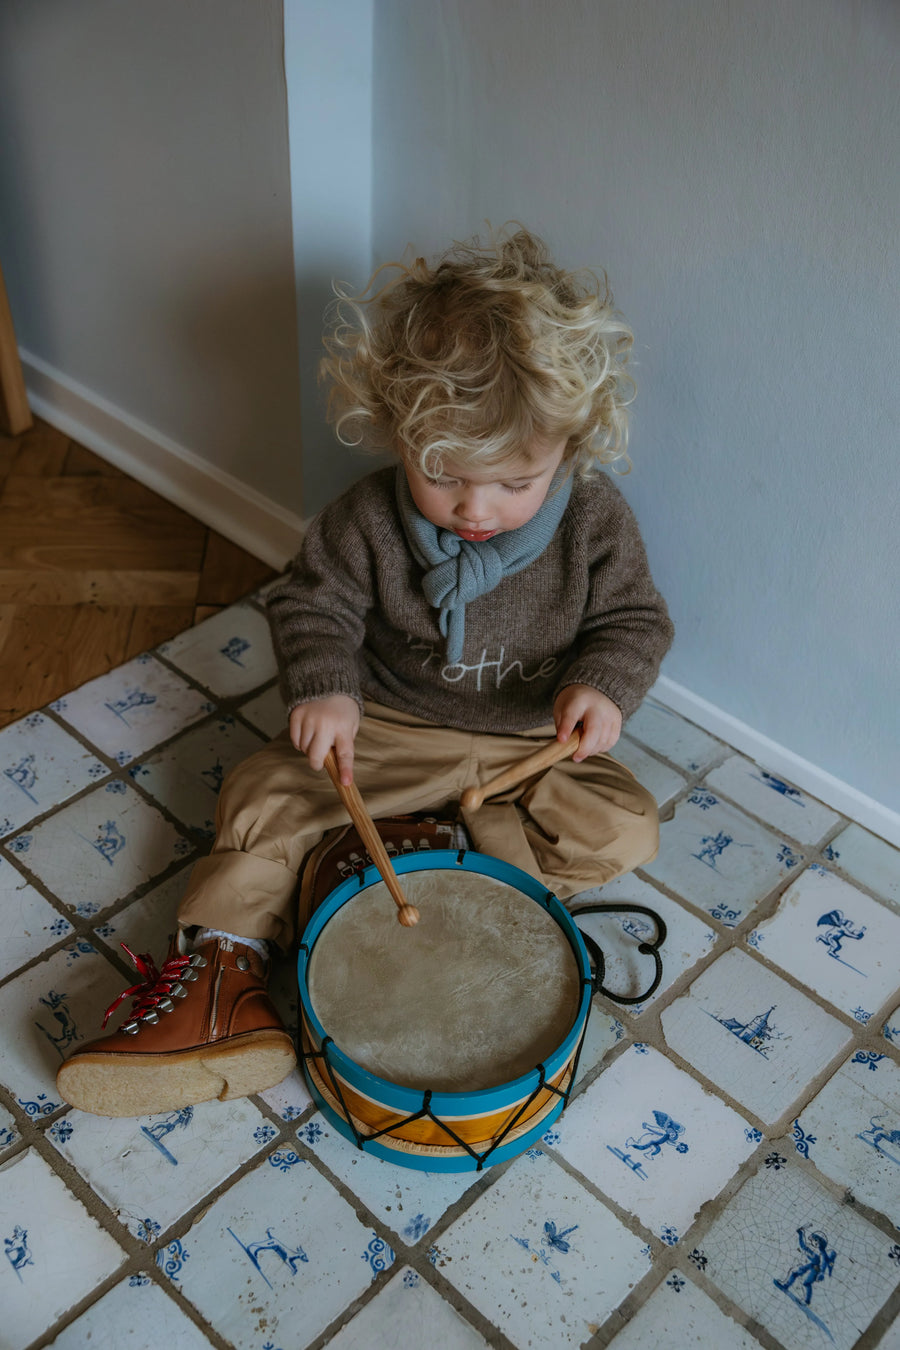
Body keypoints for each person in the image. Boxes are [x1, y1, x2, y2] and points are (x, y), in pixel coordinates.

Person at [57, 226, 674, 1118]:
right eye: (443, 475)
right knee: (264, 792)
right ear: (396, 434)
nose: (475, 508)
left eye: (514, 483)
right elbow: (313, 604)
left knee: (626, 827)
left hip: (519, 756)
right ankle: (225, 980)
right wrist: (326, 690)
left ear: (569, 450)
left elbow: (634, 620)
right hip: (391, 730)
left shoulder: (596, 522)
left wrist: (602, 689)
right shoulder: (364, 519)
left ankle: (466, 872)